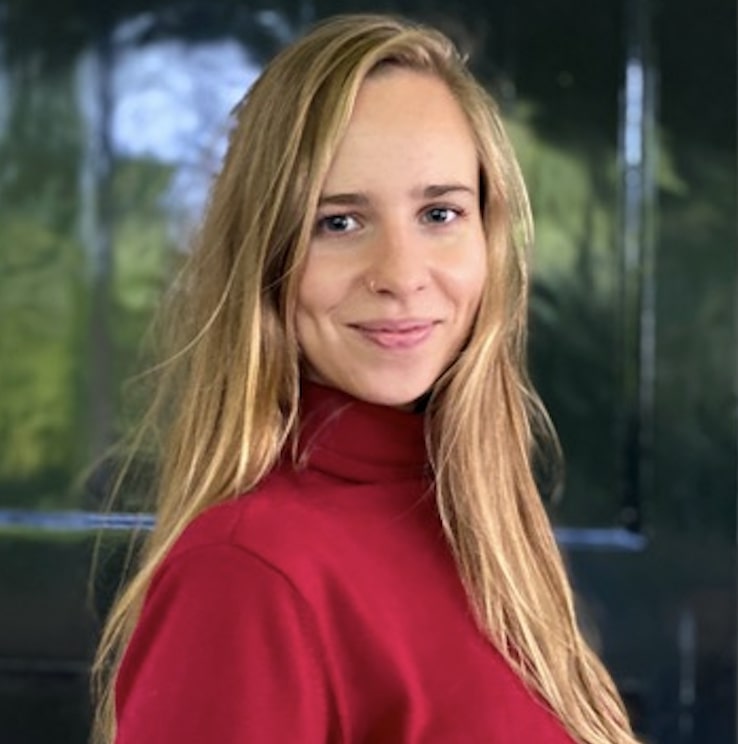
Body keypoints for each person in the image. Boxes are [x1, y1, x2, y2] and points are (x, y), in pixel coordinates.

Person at [92, 13, 641, 744]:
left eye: (439, 212)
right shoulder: (244, 574)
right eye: (339, 223)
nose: (402, 276)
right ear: (266, 258)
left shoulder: (482, 518)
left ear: (489, 236)